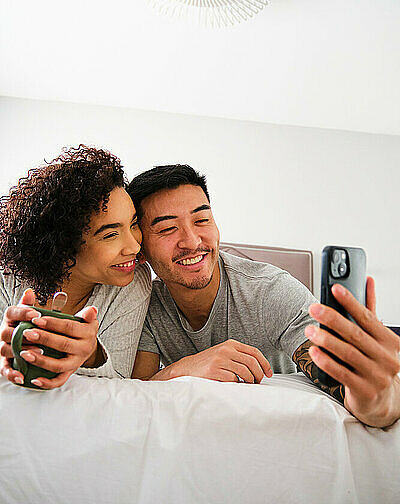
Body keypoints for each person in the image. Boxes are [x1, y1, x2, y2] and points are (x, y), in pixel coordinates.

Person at [128, 164, 400, 428]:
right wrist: (182, 370)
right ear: (140, 246)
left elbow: (349, 386)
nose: (192, 241)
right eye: (166, 229)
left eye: (202, 220)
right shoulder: (147, 304)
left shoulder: (269, 290)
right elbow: (137, 393)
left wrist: (378, 400)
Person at [0, 145, 151, 389]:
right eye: (110, 234)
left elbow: (121, 382)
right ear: (63, 244)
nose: (134, 247)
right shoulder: (6, 275)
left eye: (133, 224)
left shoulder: (132, 280)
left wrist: (92, 355)